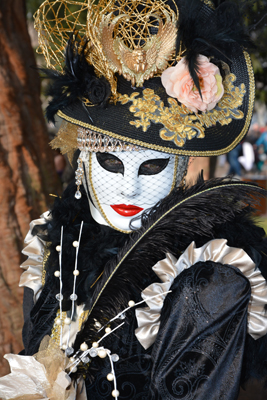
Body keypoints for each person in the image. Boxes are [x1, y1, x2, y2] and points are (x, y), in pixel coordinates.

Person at [1, 0, 267, 399]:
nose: (128, 189)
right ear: (83, 162)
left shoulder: (207, 280)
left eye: (151, 167)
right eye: (109, 162)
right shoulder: (54, 245)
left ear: (179, 170)